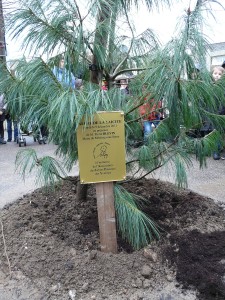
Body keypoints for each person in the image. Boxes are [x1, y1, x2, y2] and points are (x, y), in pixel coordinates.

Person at [210, 66, 225, 160]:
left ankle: (218, 149)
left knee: (220, 132)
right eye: (215, 73)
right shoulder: (209, 85)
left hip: (222, 112)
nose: (217, 76)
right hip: (212, 112)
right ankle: (214, 149)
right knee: (214, 131)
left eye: (220, 74)